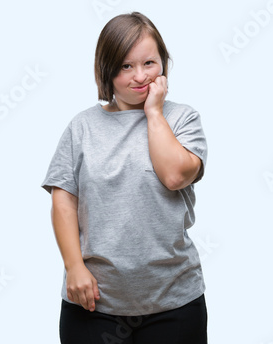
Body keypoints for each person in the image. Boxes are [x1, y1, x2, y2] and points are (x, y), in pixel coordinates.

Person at [41, 11, 208, 344]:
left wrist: (154, 112)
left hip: (175, 302)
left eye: (149, 63)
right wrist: (74, 266)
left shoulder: (182, 119)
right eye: (125, 67)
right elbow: (63, 201)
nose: (140, 77)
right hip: (93, 303)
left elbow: (175, 175)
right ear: (107, 71)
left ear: (164, 64)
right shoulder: (82, 127)